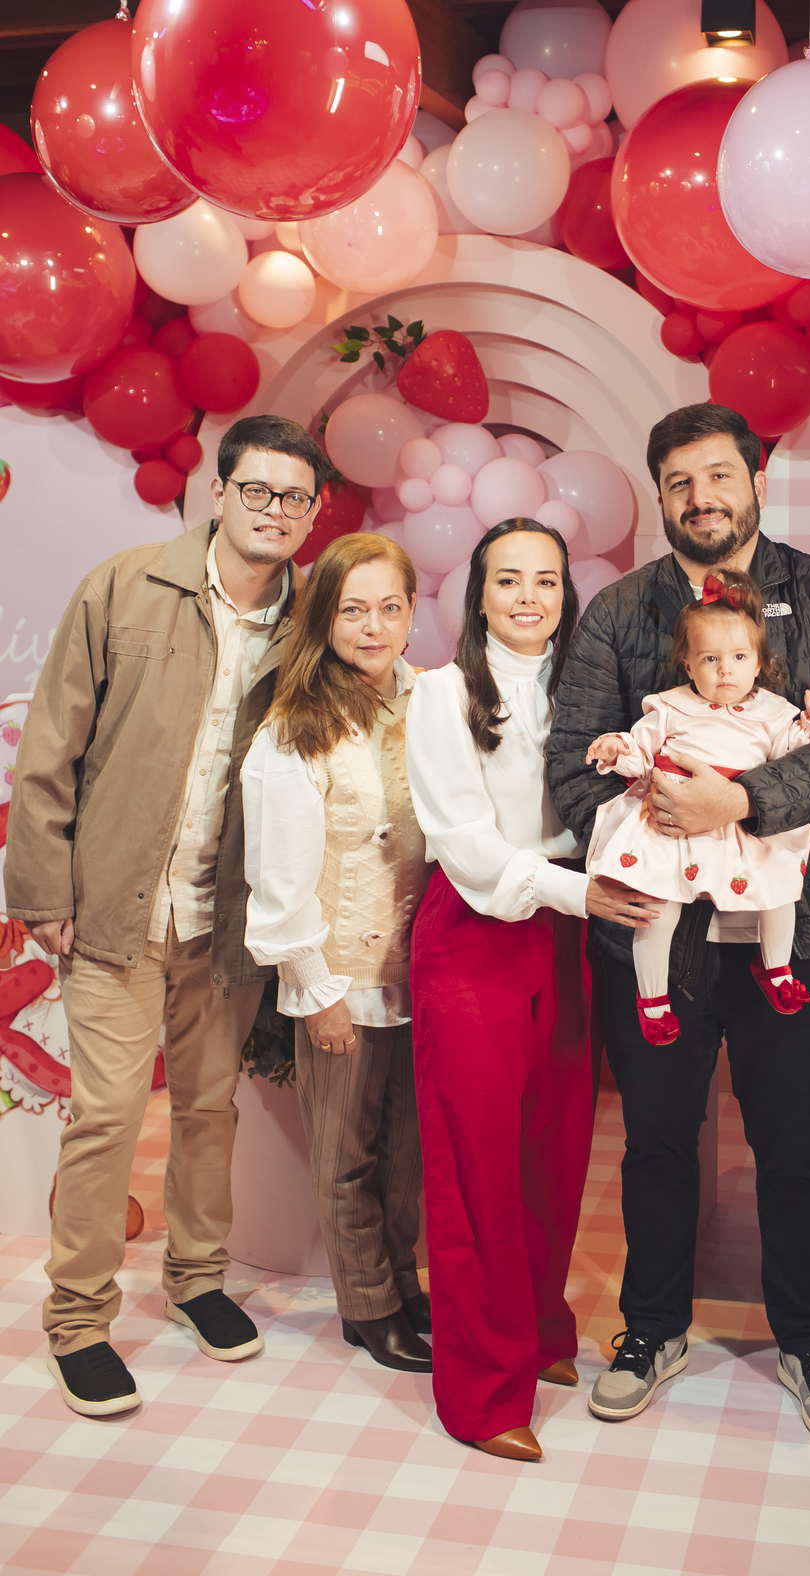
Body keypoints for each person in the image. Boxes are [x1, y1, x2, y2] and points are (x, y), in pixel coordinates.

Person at [547, 402, 810, 1443]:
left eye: (719, 476)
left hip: (796, 921)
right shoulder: (620, 611)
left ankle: (807, 1339)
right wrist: (646, 835)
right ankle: (652, 1328)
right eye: (679, 482)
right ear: (661, 497)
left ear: (756, 481)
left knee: (793, 1147)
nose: (701, 498)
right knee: (657, 1142)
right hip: (661, 927)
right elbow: (574, 757)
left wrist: (740, 803)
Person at [5, 416, 329, 1417]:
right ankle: (78, 1321)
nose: (274, 510)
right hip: (118, 904)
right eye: (258, 489)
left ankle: (195, 1280)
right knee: (107, 1116)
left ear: (313, 514)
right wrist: (43, 893)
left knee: (208, 1108)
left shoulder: (311, 620)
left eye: (295, 497)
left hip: (227, 919)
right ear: (219, 494)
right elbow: (51, 745)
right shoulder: (125, 586)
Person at [404, 518, 657, 1463]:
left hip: (570, 929)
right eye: (507, 579)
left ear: (566, 593)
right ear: (477, 594)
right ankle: (481, 1392)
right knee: (477, 1167)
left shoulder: (591, 688)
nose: (527, 597)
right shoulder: (442, 693)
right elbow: (466, 844)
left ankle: (540, 1331)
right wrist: (580, 893)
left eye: (545, 580)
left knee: (554, 1151)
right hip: (480, 928)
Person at [241, 534, 433, 1377]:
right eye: (353, 609)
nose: (373, 626)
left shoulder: (434, 702)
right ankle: (368, 1307)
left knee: (407, 1152)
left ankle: (403, 1282)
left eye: (389, 607)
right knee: (346, 1153)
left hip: (421, 972)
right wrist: (313, 988)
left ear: (412, 612)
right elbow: (277, 877)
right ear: (324, 618)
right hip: (338, 975)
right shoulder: (293, 729)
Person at [585, 569, 810, 1044]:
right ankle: (652, 997)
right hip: (670, 822)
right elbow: (641, 754)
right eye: (710, 659)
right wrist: (616, 749)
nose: (726, 670)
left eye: (739, 657)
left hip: (742, 822)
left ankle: (776, 968)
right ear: (687, 665)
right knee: (657, 910)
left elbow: (793, 755)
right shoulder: (669, 706)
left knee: (779, 889)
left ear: (759, 663)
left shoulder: (773, 712)